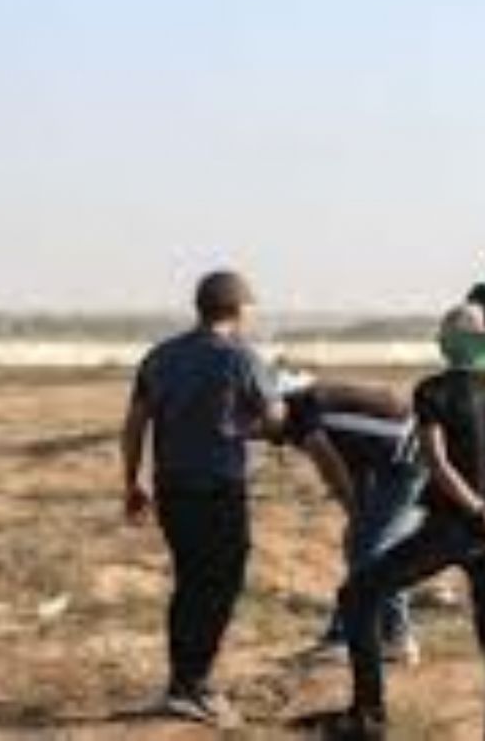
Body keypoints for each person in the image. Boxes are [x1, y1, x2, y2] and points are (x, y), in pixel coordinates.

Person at [315, 306, 485, 741]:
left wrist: (477, 510)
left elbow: (437, 462)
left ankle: (368, 716)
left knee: (357, 595)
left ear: (454, 341)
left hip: (450, 527)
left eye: (444, 332)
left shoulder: (432, 391)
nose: (439, 339)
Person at [119, 270, 285, 728]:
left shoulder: (160, 356)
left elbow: (134, 425)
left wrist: (132, 482)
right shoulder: (241, 357)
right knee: (219, 587)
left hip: (172, 489)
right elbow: (275, 420)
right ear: (238, 309)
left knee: (190, 582)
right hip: (219, 491)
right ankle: (193, 685)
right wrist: (267, 410)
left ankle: (182, 681)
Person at [282, 378, 429, 666]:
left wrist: (355, 511)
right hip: (394, 455)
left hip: (410, 453)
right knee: (369, 545)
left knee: (368, 546)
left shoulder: (301, 412)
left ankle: (350, 638)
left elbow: (330, 465)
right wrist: (357, 512)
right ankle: (393, 636)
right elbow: (354, 454)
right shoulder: (302, 411)